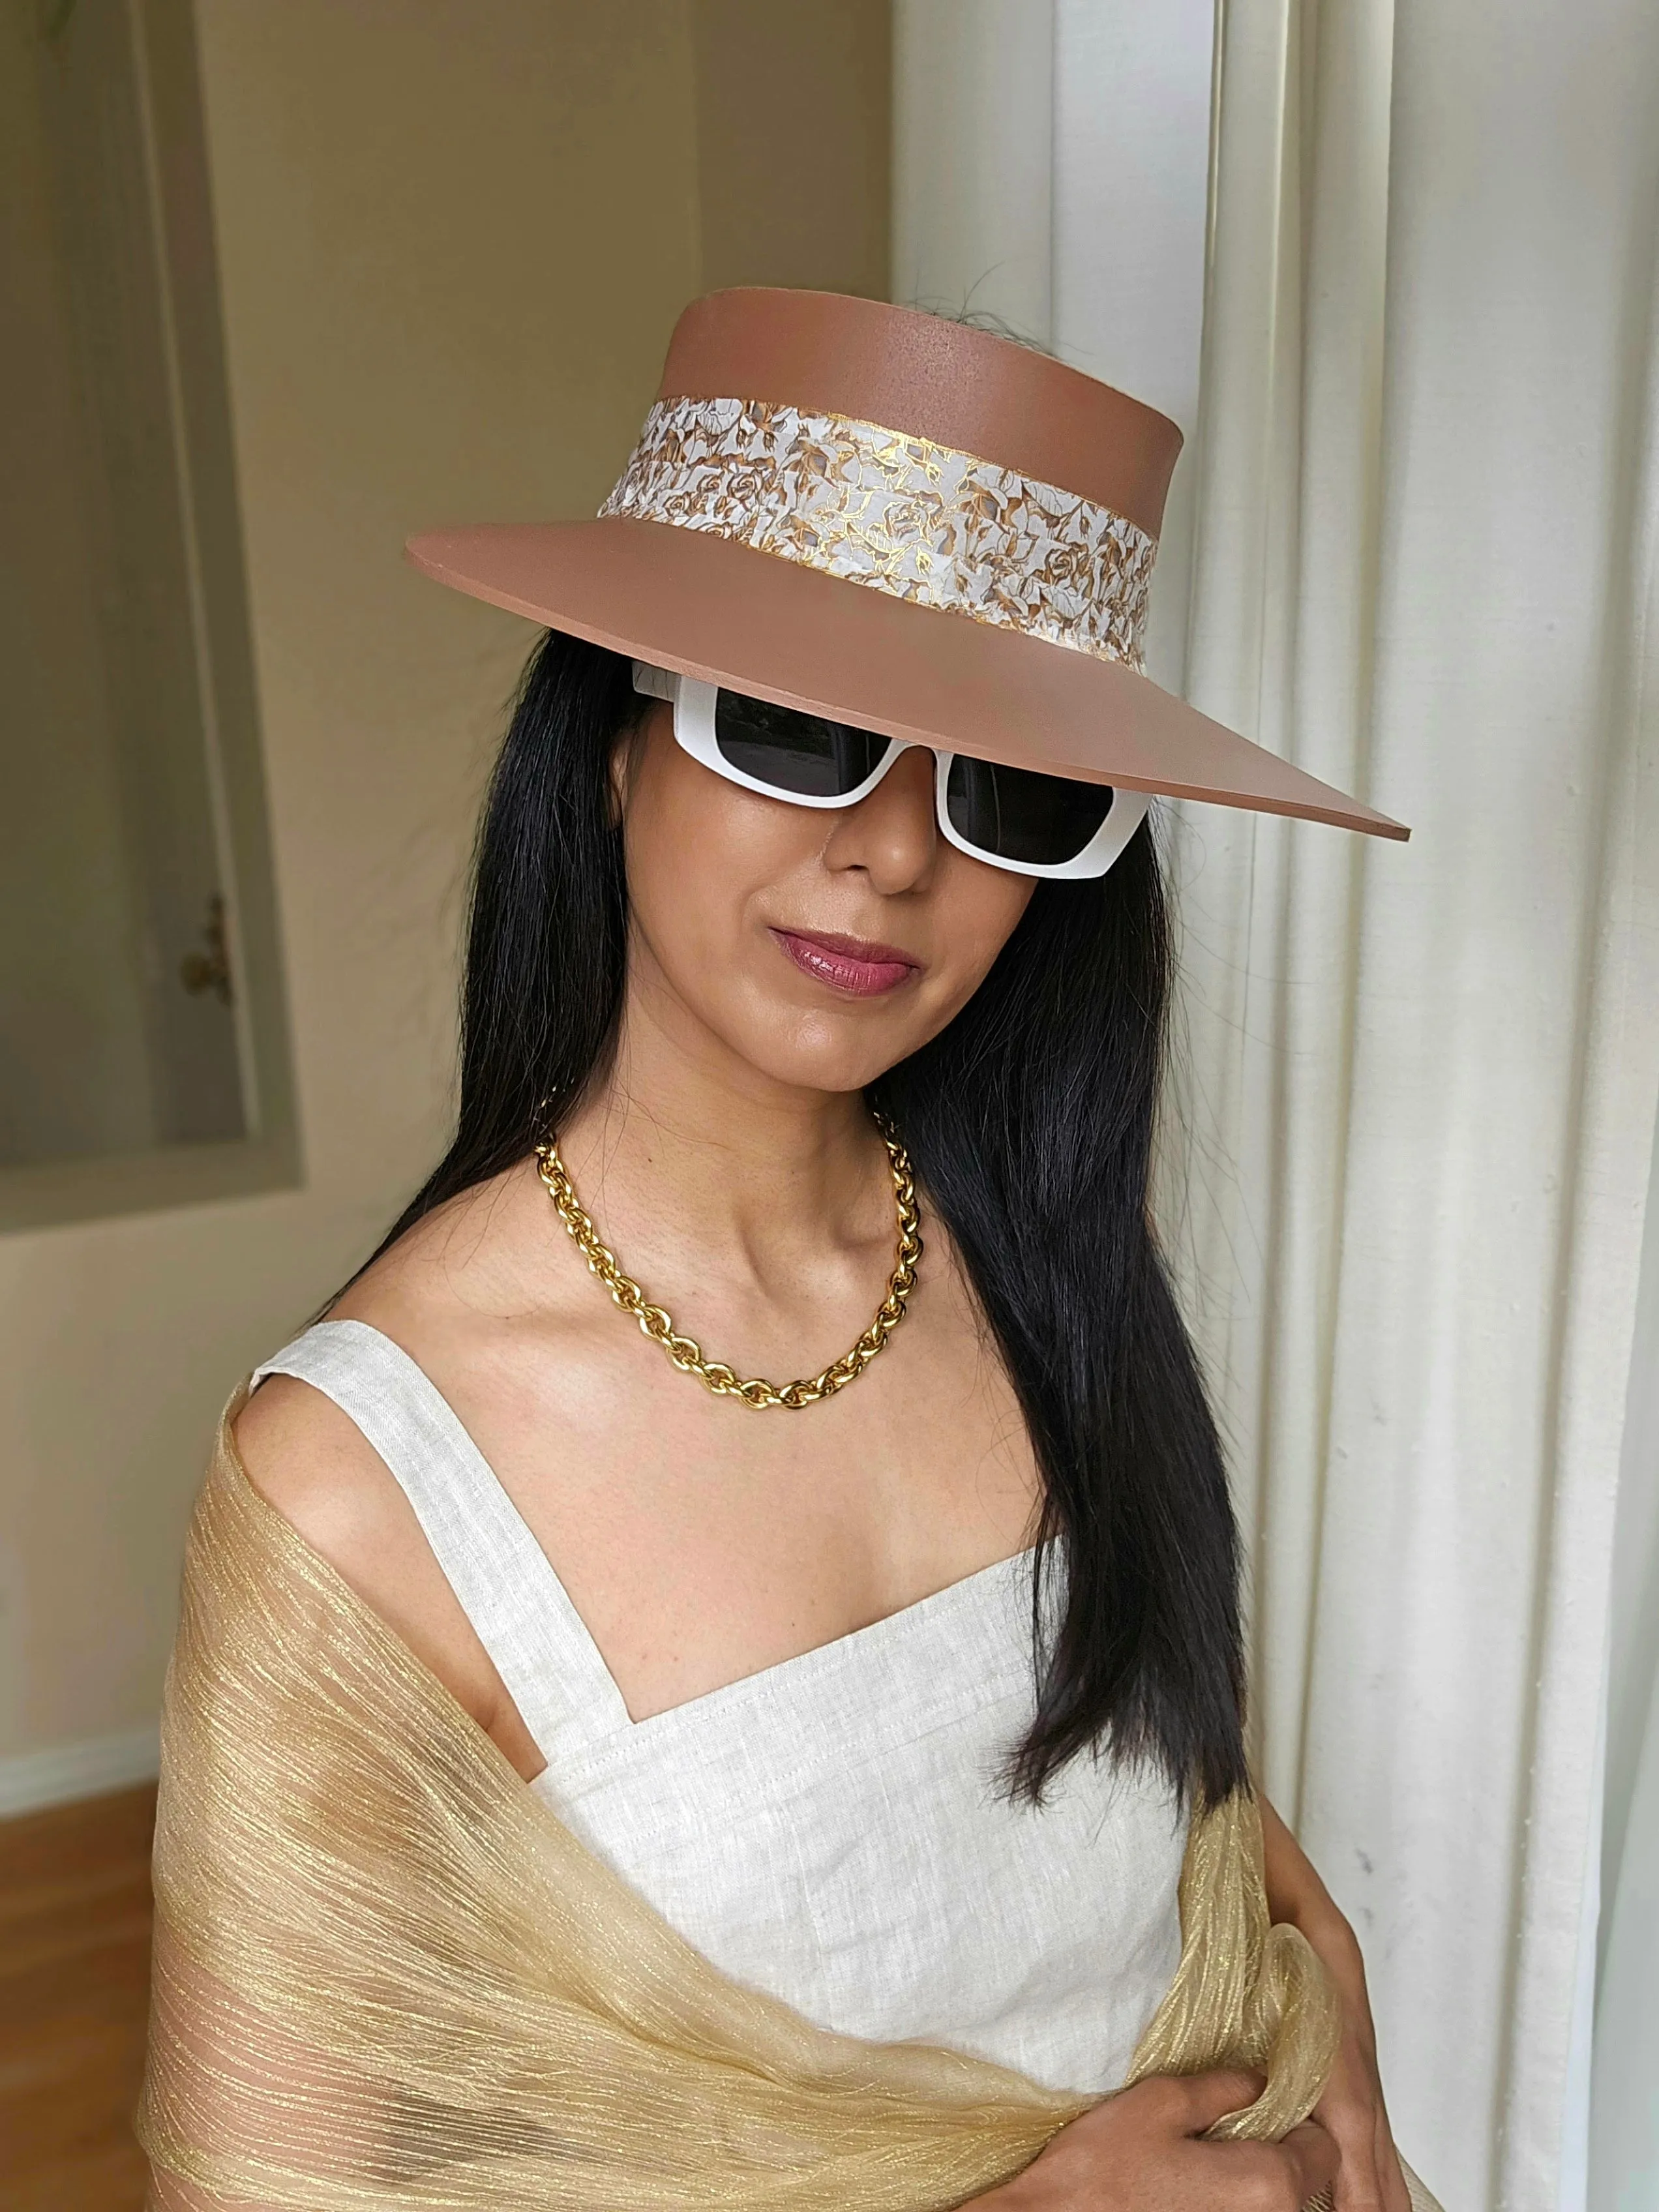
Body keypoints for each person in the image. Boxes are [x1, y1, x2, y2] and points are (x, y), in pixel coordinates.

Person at [142, 290, 1422, 2212]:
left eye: (1013, 789)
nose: (896, 853)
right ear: (611, 744)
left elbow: (1182, 1814)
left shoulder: (1040, 1263)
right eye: (805, 730)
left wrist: (1343, 2043)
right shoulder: (361, 1496)